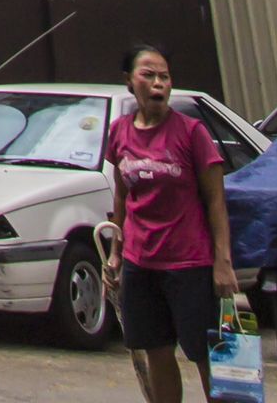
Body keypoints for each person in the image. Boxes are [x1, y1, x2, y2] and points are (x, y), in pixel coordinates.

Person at [105, 43, 236, 403]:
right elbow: (122, 196)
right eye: (148, 75)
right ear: (130, 82)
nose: (158, 82)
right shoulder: (119, 132)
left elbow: (216, 201)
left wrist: (222, 262)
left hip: (190, 264)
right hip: (141, 263)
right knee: (157, 351)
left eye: (164, 76)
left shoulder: (191, 133)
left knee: (207, 353)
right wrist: (116, 254)